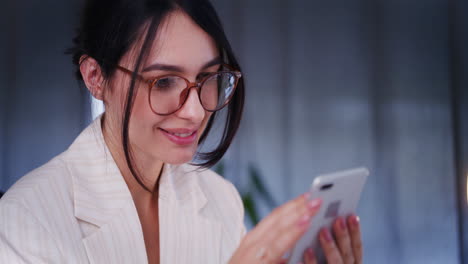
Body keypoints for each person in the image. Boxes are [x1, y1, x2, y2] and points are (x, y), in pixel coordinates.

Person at [0, 0, 363, 263]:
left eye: (207, 78)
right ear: (96, 77)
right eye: (164, 81)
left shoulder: (220, 199)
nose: (194, 111)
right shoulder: (25, 217)